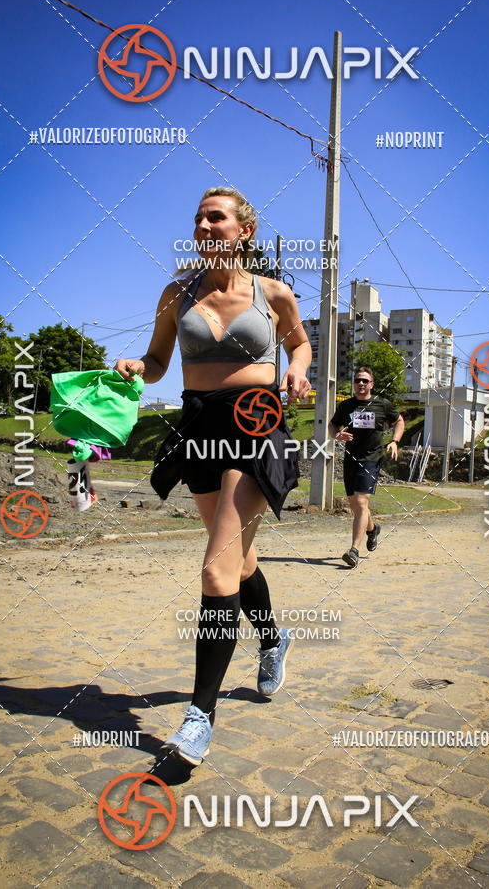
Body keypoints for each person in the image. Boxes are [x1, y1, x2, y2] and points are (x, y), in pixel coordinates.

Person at [116, 187, 311, 766]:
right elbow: (157, 363)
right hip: (199, 428)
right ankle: (274, 639)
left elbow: (300, 345)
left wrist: (297, 372)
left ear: (243, 231)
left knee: (216, 563)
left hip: (256, 425)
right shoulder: (177, 293)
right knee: (240, 561)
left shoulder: (274, 294)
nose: (203, 224)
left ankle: (199, 717)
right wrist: (136, 366)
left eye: (215, 216)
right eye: (198, 216)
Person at [329, 366, 404, 567]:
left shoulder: (382, 405)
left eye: (365, 381)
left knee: (361, 503)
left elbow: (399, 421)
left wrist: (394, 441)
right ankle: (372, 530)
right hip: (350, 458)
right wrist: (337, 435)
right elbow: (332, 425)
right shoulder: (346, 406)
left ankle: (354, 550)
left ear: (371, 384)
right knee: (355, 506)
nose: (361, 384)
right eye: (357, 380)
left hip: (371, 458)